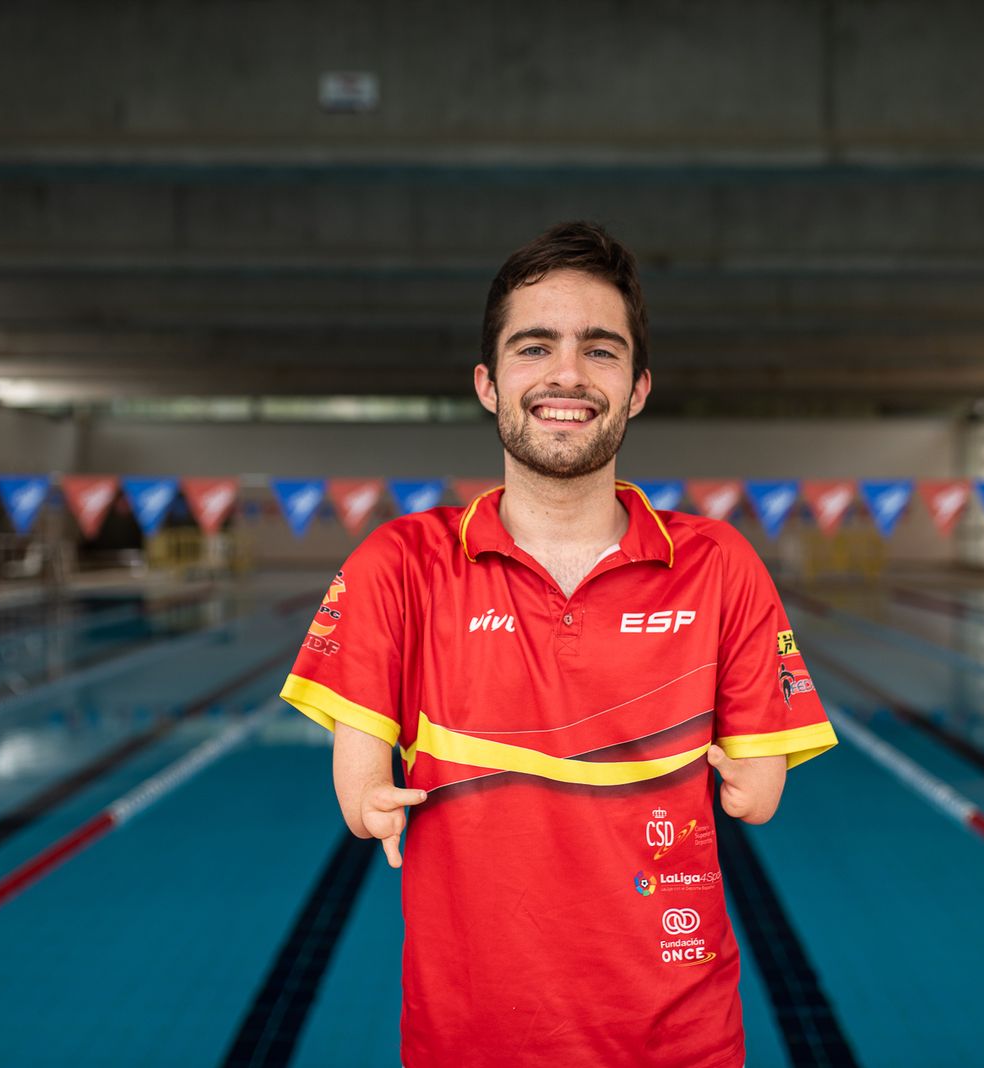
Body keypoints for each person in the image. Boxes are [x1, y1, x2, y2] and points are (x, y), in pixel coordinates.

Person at [281, 221, 837, 1068]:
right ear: (488, 382)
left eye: (601, 351)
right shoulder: (402, 565)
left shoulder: (718, 567)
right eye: (535, 347)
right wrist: (367, 798)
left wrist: (749, 779)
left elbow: (758, 791)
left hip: (680, 1040)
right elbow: (358, 786)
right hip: (470, 1042)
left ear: (639, 387)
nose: (567, 374)